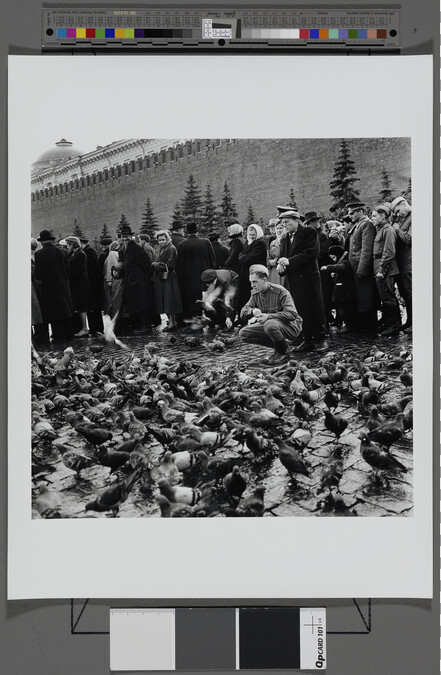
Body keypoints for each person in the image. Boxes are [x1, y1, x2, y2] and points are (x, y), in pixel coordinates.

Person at [277, 210, 328, 352]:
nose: (284, 225)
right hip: (294, 279)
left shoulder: (309, 232)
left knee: (315, 307)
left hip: (309, 278)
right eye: (283, 223)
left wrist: (289, 261)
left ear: (296, 220)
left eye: (287, 222)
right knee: (300, 309)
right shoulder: (286, 238)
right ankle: (307, 339)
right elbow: (283, 257)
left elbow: (311, 253)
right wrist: (282, 268)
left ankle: (321, 338)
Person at [239, 265, 303, 365]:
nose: (252, 285)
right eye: (251, 282)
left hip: (291, 326)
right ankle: (282, 347)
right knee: (244, 334)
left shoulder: (280, 291)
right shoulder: (255, 294)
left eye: (255, 281)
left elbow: (292, 314)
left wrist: (268, 316)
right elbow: (243, 312)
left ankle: (283, 353)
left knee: (269, 324)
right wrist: (253, 311)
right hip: (271, 325)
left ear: (264, 280)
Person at [34, 230, 73, 343]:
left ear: (42, 242)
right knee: (65, 309)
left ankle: (58, 336)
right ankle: (69, 334)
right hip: (64, 286)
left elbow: (39, 274)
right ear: (51, 240)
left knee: (54, 312)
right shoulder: (63, 252)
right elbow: (67, 270)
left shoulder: (39, 254)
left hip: (49, 287)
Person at [346, 201, 378, 332]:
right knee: (361, 297)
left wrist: (362, 269)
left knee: (367, 297)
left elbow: (366, 249)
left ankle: (370, 325)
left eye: (352, 213)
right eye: (349, 213)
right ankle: (364, 324)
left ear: (361, 211)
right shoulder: (358, 225)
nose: (350, 215)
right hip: (355, 267)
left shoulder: (366, 225)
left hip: (361, 267)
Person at [118, 224, 156, 334]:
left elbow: (146, 264)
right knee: (134, 303)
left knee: (142, 302)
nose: (125, 239)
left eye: (127, 236)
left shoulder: (137, 248)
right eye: (123, 236)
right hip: (129, 279)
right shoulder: (122, 250)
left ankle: (146, 326)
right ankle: (138, 325)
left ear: (131, 237)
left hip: (140, 280)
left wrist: (146, 277)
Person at [371, 204, 401, 336]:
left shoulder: (388, 230)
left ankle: (394, 325)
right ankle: (389, 322)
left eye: (374, 216)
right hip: (379, 265)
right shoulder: (380, 229)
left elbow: (389, 252)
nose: (372, 218)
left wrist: (382, 270)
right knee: (385, 296)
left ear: (383, 216)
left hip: (386, 268)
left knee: (388, 296)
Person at [176, 222, 216, 319]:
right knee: (208, 298)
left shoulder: (182, 244)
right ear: (196, 230)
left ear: (187, 231)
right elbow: (212, 259)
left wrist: (181, 279)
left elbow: (180, 264)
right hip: (206, 276)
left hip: (190, 279)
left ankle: (196, 319)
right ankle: (211, 319)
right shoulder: (206, 242)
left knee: (193, 301)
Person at [304, 210, 333, 329]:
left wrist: (308, 257)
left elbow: (322, 253)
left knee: (324, 297)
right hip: (316, 270)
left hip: (323, 270)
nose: (308, 226)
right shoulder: (314, 235)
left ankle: (325, 323)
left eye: (309, 223)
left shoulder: (322, 236)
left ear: (315, 222)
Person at [321, 246, 357, 332]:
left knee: (345, 311)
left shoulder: (344, 263)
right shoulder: (343, 262)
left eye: (333, 257)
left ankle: (349, 325)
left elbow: (341, 268)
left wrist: (328, 267)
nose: (333, 259)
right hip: (343, 294)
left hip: (345, 294)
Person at [152, 229, 182, 331]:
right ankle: (171, 322)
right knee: (166, 300)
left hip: (169, 277)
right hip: (162, 277)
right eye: (159, 240)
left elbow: (170, 265)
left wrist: (155, 265)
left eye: (163, 239)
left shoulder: (171, 249)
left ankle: (172, 323)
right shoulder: (161, 248)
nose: (161, 242)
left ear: (167, 238)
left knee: (170, 300)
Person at [390, 195, 412, 332]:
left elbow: (409, 240)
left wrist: (397, 229)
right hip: (402, 263)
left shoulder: (413, 218)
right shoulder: (404, 219)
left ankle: (415, 323)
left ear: (404, 204)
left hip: (408, 262)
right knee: (405, 292)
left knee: (411, 292)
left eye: (398, 211)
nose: (398, 214)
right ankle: (409, 321)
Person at [237, 223, 267, 316]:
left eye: (253, 234)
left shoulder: (260, 243)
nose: (251, 236)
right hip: (246, 272)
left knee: (256, 294)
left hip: (256, 273)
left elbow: (249, 258)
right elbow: (241, 255)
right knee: (245, 294)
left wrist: (242, 258)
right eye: (250, 234)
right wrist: (243, 257)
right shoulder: (247, 242)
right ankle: (245, 315)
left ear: (257, 233)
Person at [64, 236, 91, 337]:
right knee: (79, 306)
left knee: (82, 306)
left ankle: (84, 328)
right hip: (77, 284)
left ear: (72, 244)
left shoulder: (81, 254)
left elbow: (78, 270)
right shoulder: (74, 253)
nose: (67, 246)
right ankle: (82, 327)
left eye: (68, 244)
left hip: (80, 284)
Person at [79, 236, 104, 334]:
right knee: (92, 308)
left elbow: (93, 269)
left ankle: (97, 328)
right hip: (91, 284)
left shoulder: (89, 251)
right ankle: (94, 328)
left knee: (94, 308)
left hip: (93, 285)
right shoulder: (87, 251)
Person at [267, 220, 285, 285]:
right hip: (274, 272)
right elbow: (268, 258)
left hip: (284, 271)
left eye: (281, 228)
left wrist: (278, 261)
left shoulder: (288, 241)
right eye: (277, 228)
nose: (279, 230)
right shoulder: (273, 242)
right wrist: (270, 262)